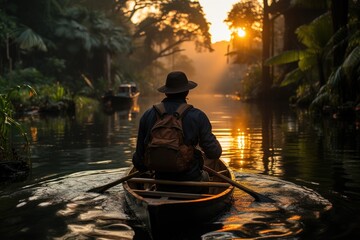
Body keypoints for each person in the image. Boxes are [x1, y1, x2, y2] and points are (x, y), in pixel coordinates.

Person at [132, 71, 222, 192]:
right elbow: (214, 153)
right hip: (191, 182)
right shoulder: (198, 116)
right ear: (187, 91)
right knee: (206, 176)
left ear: (166, 92)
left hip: (160, 181)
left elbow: (138, 161)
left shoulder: (148, 115)